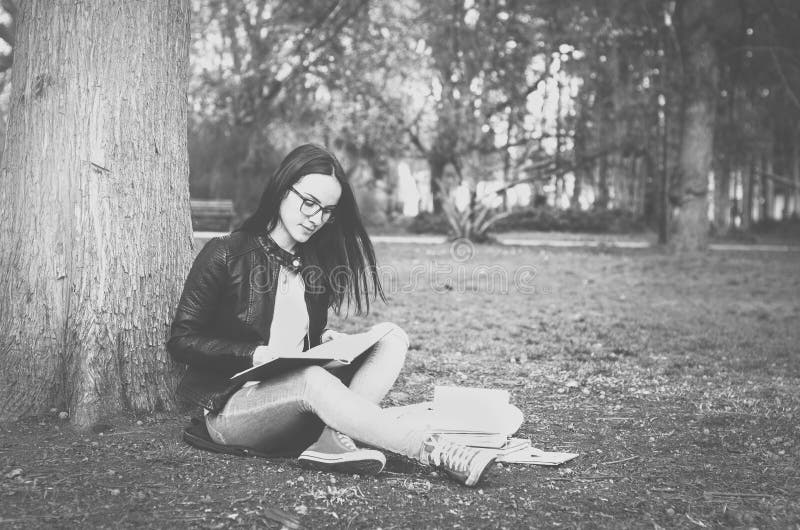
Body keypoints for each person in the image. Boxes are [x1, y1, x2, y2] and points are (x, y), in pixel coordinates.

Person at [167, 143, 496, 487]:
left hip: (299, 395)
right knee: (311, 378)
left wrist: (325, 341)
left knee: (391, 337)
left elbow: (298, 337)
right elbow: (182, 340)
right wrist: (255, 354)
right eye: (308, 202)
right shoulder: (226, 253)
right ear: (282, 189)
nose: (315, 217)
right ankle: (437, 451)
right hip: (233, 409)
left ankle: (330, 439)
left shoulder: (314, 267)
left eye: (326, 211)